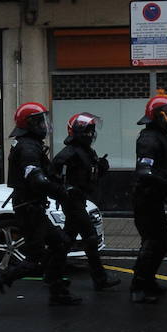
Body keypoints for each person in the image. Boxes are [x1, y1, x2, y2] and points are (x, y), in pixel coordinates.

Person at [0, 102, 81, 312]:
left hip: (32, 206)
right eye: (40, 121)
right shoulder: (28, 147)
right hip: (29, 209)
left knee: (60, 243)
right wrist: (59, 191)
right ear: (30, 123)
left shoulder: (28, 143)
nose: (44, 125)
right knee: (34, 259)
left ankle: (57, 290)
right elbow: (36, 179)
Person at [51, 112, 120, 292]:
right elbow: (53, 176)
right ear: (78, 132)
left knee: (67, 240)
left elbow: (90, 176)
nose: (91, 135)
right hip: (72, 202)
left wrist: (101, 167)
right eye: (88, 131)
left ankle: (52, 274)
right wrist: (64, 190)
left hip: (80, 199)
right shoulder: (68, 153)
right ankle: (100, 278)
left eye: (92, 131)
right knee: (90, 237)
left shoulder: (87, 152)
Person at [129, 95, 167, 303]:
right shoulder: (149, 139)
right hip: (146, 199)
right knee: (153, 242)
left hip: (155, 198)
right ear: (158, 117)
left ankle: (148, 280)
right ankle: (138, 287)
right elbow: (144, 172)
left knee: (162, 242)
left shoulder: (160, 137)